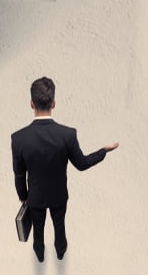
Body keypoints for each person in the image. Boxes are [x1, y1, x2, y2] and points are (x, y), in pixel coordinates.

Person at [11, 76, 119, 263]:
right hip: (59, 195)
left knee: (38, 229)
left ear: (31, 103)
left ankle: (40, 254)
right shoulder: (68, 135)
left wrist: (23, 195)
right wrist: (103, 151)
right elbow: (82, 164)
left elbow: (19, 174)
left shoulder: (19, 138)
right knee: (59, 226)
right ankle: (60, 252)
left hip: (35, 197)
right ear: (54, 103)